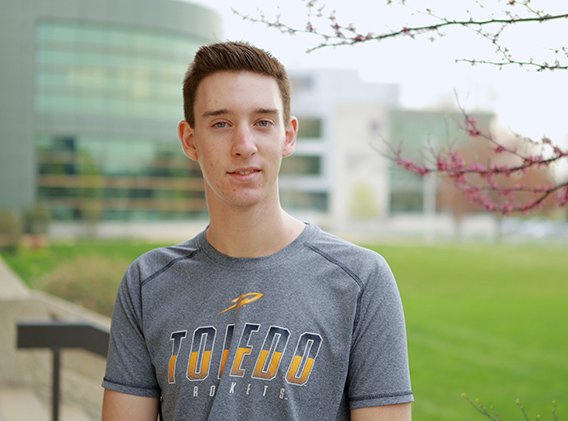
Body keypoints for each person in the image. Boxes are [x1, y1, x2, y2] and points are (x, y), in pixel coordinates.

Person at [101, 41, 413, 420]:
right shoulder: (147, 283)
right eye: (221, 123)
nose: (244, 145)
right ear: (189, 139)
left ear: (288, 135)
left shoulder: (361, 281)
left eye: (263, 122)